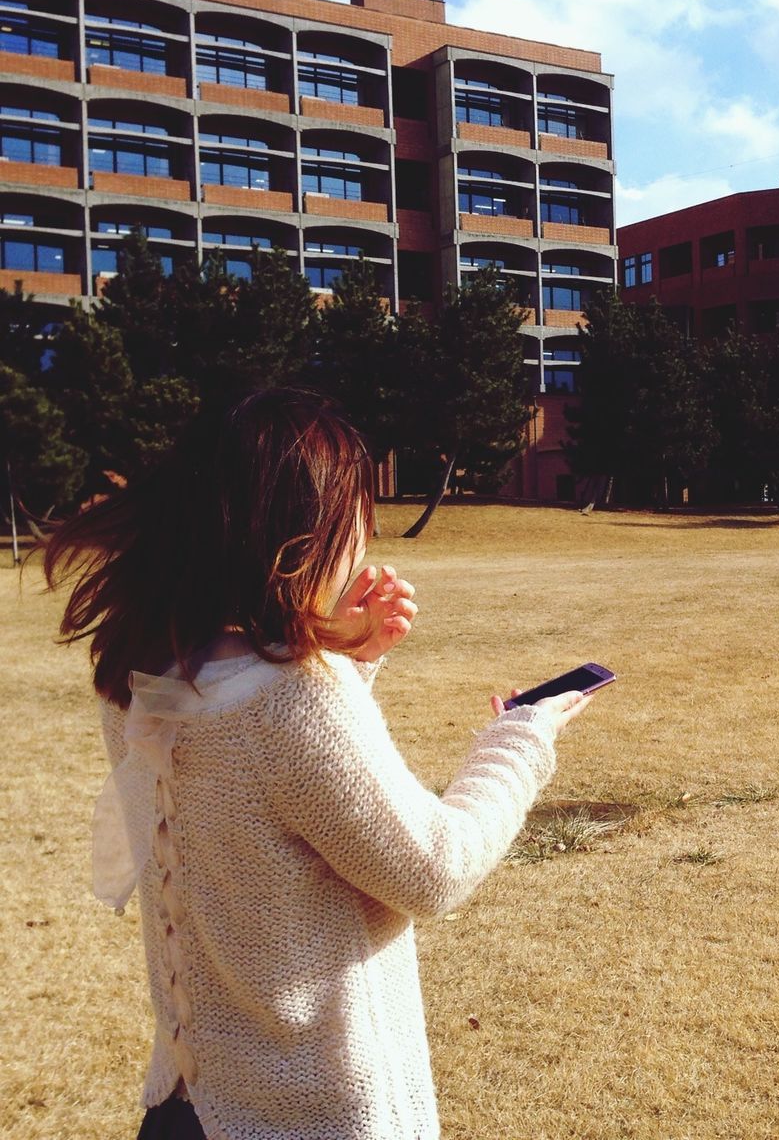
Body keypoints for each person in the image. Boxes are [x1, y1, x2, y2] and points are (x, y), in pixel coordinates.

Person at [43, 388, 591, 1140]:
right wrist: (521, 740)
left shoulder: (142, 677)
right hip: (316, 1114)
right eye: (351, 523)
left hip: (189, 1107)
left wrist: (340, 651)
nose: (364, 544)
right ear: (292, 538)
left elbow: (272, 804)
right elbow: (435, 867)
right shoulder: (294, 701)